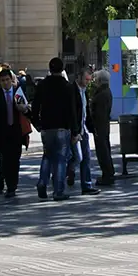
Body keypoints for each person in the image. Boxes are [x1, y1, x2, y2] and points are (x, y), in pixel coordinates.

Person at [33, 57, 77, 201]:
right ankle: (58, 190)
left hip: (46, 126)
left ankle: (42, 182)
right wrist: (75, 131)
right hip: (62, 127)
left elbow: (35, 106)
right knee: (60, 159)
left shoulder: (42, 85)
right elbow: (72, 110)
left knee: (47, 156)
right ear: (62, 69)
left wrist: (37, 123)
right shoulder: (68, 86)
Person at [0, 67, 29, 196]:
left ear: (11, 80)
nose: (5, 83)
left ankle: (13, 185)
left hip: (16, 131)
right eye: (2, 80)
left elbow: (26, 111)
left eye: (7, 80)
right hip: (2, 132)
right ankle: (7, 184)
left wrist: (23, 108)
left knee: (15, 159)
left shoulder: (18, 92)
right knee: (5, 160)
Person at [65, 68, 99, 195]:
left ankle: (87, 185)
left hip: (83, 129)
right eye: (86, 79)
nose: (87, 82)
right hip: (74, 129)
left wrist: (91, 128)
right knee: (77, 157)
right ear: (78, 77)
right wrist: (74, 132)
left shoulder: (85, 91)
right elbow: (72, 113)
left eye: (89, 80)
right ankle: (65, 172)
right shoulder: (71, 90)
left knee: (86, 158)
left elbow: (86, 112)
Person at [87, 69, 115, 188]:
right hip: (102, 125)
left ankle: (107, 174)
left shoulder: (102, 94)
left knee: (103, 151)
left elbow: (100, 113)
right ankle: (108, 173)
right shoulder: (104, 92)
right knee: (104, 150)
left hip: (100, 126)